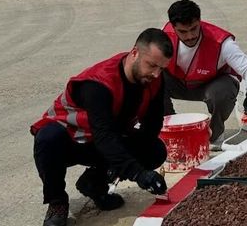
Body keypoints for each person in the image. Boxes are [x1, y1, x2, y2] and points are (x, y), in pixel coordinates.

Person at [30, 28, 172, 226]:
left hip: (105, 138)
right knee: (47, 138)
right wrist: (138, 174)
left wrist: (123, 166)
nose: (156, 74)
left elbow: (152, 123)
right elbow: (103, 135)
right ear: (134, 53)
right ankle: (57, 202)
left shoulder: (154, 80)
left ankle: (94, 184)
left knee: (154, 150)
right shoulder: (99, 84)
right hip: (73, 139)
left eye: (162, 69)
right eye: (152, 65)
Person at [162, 0, 247, 149]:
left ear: (200, 21)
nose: (189, 36)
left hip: (212, 84)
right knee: (149, 81)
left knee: (222, 92)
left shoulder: (221, 42)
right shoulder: (164, 36)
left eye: (194, 29)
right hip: (178, 82)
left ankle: (215, 135)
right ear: (173, 27)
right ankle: (171, 129)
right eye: (182, 31)